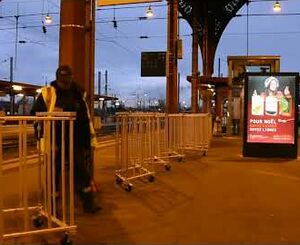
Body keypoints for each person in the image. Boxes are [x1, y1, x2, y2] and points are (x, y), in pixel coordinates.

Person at [31, 65, 101, 213]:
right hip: (53, 141)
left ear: (71, 79)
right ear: (57, 79)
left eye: (68, 81)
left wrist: (89, 142)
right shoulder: (47, 93)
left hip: (75, 141)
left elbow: (85, 119)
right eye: (63, 82)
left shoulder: (78, 93)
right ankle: (53, 208)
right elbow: (35, 116)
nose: (66, 85)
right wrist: (42, 137)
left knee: (82, 171)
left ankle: (88, 203)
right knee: (53, 173)